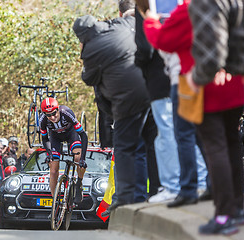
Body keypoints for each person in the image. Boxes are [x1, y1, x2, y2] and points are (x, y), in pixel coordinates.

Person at [72, 14, 159, 213]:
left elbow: (89, 77)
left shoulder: (91, 50)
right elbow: (133, 17)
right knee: (152, 145)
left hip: (126, 102)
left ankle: (127, 197)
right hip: (152, 92)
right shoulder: (122, 24)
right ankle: (156, 192)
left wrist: (86, 52)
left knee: (124, 148)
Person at [188, 0, 244, 237]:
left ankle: (224, 215)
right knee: (231, 145)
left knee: (216, 147)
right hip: (239, 80)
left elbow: (210, 52)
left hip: (213, 82)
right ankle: (237, 210)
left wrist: (194, 79)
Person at [141, 0, 208, 208]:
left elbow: (163, 41)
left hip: (184, 78)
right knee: (205, 136)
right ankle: (207, 184)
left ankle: (183, 187)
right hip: (204, 77)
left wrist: (150, 23)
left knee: (183, 135)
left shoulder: (184, 10)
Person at [119, 0, 180, 203]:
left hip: (156, 81)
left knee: (165, 135)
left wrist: (140, 64)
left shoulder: (146, 8)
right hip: (182, 74)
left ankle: (171, 186)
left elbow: (145, 47)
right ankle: (189, 183)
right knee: (184, 132)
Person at [39, 97, 88, 204]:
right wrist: (49, 154)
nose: (52, 117)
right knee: (53, 169)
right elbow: (45, 138)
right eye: (48, 115)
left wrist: (83, 159)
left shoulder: (66, 112)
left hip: (71, 134)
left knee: (78, 157)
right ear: (44, 114)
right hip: (55, 138)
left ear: (58, 109)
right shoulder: (42, 120)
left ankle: (79, 182)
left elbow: (83, 135)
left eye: (54, 113)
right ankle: (55, 201)